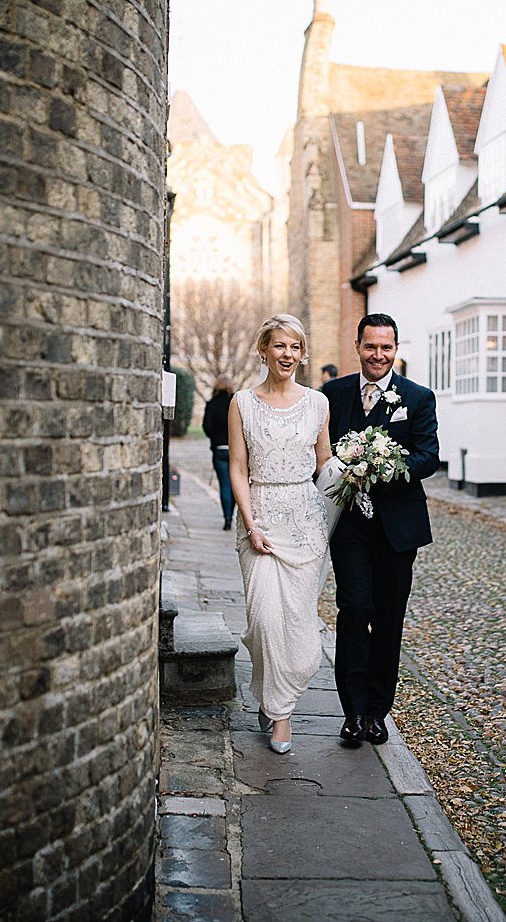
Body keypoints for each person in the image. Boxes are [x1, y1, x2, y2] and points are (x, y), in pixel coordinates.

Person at [321, 313, 439, 747]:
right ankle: (351, 712)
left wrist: (386, 466)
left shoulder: (418, 397)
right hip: (349, 524)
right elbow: (319, 453)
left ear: (396, 349)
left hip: (397, 529)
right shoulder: (331, 395)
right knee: (354, 611)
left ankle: (376, 712)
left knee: (389, 621)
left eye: (386, 348)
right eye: (370, 347)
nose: (378, 355)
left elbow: (428, 456)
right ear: (358, 346)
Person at [228, 314, 332, 754]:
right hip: (261, 519)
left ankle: (279, 707)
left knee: (298, 624)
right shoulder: (242, 403)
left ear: (302, 353)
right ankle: (277, 704)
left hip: (306, 524)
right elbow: (238, 467)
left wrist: (360, 473)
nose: (287, 354)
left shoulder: (318, 404)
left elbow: (325, 465)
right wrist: (251, 524)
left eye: (294, 347)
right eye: (279, 346)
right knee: (265, 621)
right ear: (264, 350)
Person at [200, 378, 235, 529]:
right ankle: (231, 514)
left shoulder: (212, 404)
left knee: (224, 484)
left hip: (219, 449)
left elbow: (206, 425)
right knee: (235, 484)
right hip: (235, 450)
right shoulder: (235, 402)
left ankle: (227, 517)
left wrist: (215, 438)